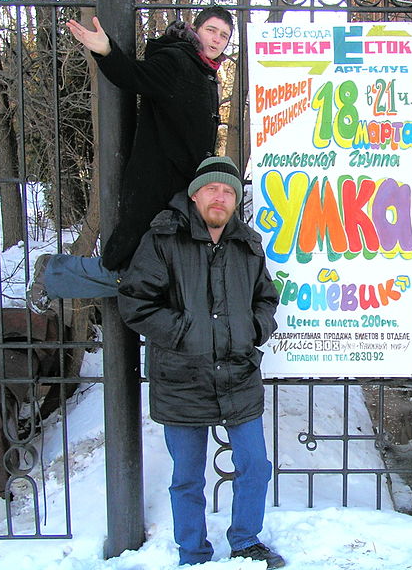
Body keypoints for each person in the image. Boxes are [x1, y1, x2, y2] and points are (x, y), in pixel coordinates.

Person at [117, 156, 284, 568]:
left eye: (229, 192)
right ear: (195, 195)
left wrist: (252, 330)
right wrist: (186, 334)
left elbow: (266, 298)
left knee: (255, 466)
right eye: (213, 189)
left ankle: (245, 541)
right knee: (187, 478)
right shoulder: (163, 239)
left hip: (238, 374)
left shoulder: (247, 245)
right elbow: (136, 302)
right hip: (182, 377)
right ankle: (192, 553)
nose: (221, 197)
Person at [27, 6, 234, 312]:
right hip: (156, 187)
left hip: (183, 193)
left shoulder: (205, 73)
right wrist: (107, 51)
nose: (217, 40)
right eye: (211, 30)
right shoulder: (178, 61)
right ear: (196, 29)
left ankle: (57, 274)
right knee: (138, 273)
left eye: (224, 36)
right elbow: (134, 75)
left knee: (165, 273)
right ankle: (56, 273)